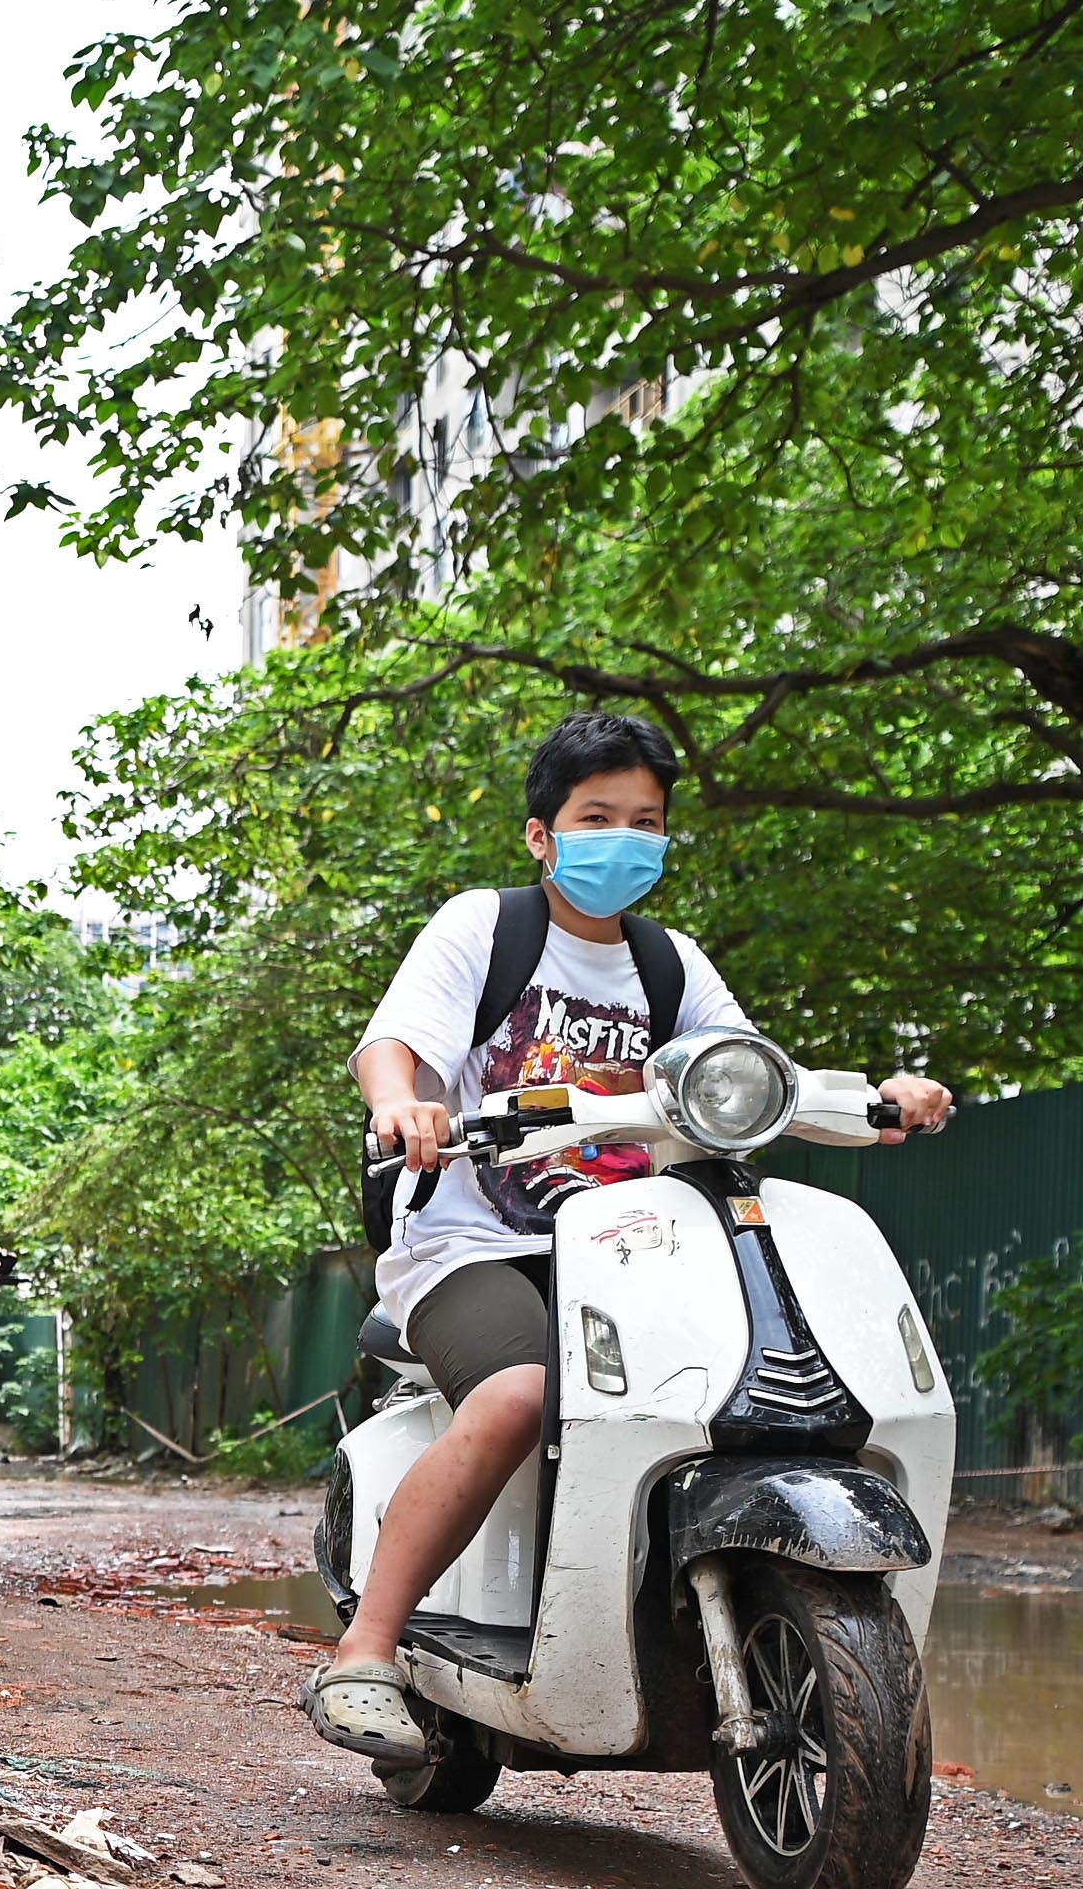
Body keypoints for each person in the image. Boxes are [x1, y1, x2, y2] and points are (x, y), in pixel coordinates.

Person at [301, 713, 954, 1757]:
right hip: (472, 1241)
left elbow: (747, 1077)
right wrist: (402, 1106)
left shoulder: (669, 964)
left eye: (643, 821)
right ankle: (365, 1654)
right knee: (519, 1393)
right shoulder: (485, 929)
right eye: (595, 816)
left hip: (634, 1253)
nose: (622, 839)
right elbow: (393, 1045)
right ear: (540, 835)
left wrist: (877, 1098)